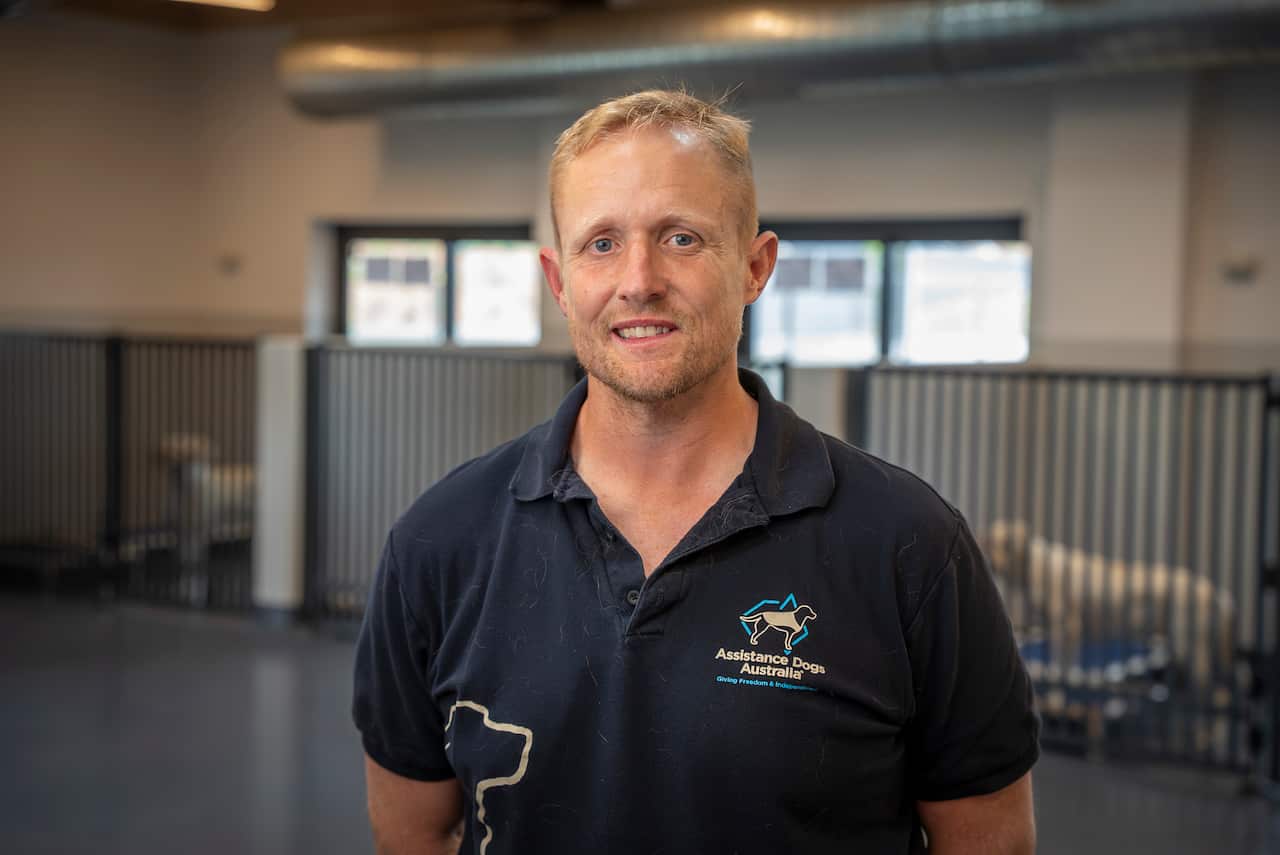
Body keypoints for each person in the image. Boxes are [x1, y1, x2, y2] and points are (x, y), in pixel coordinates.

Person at [353, 89, 1039, 854]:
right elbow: (412, 832)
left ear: (755, 267)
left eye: (680, 238)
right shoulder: (438, 541)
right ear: (558, 279)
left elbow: (990, 842)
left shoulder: (910, 546)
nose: (638, 279)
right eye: (601, 243)